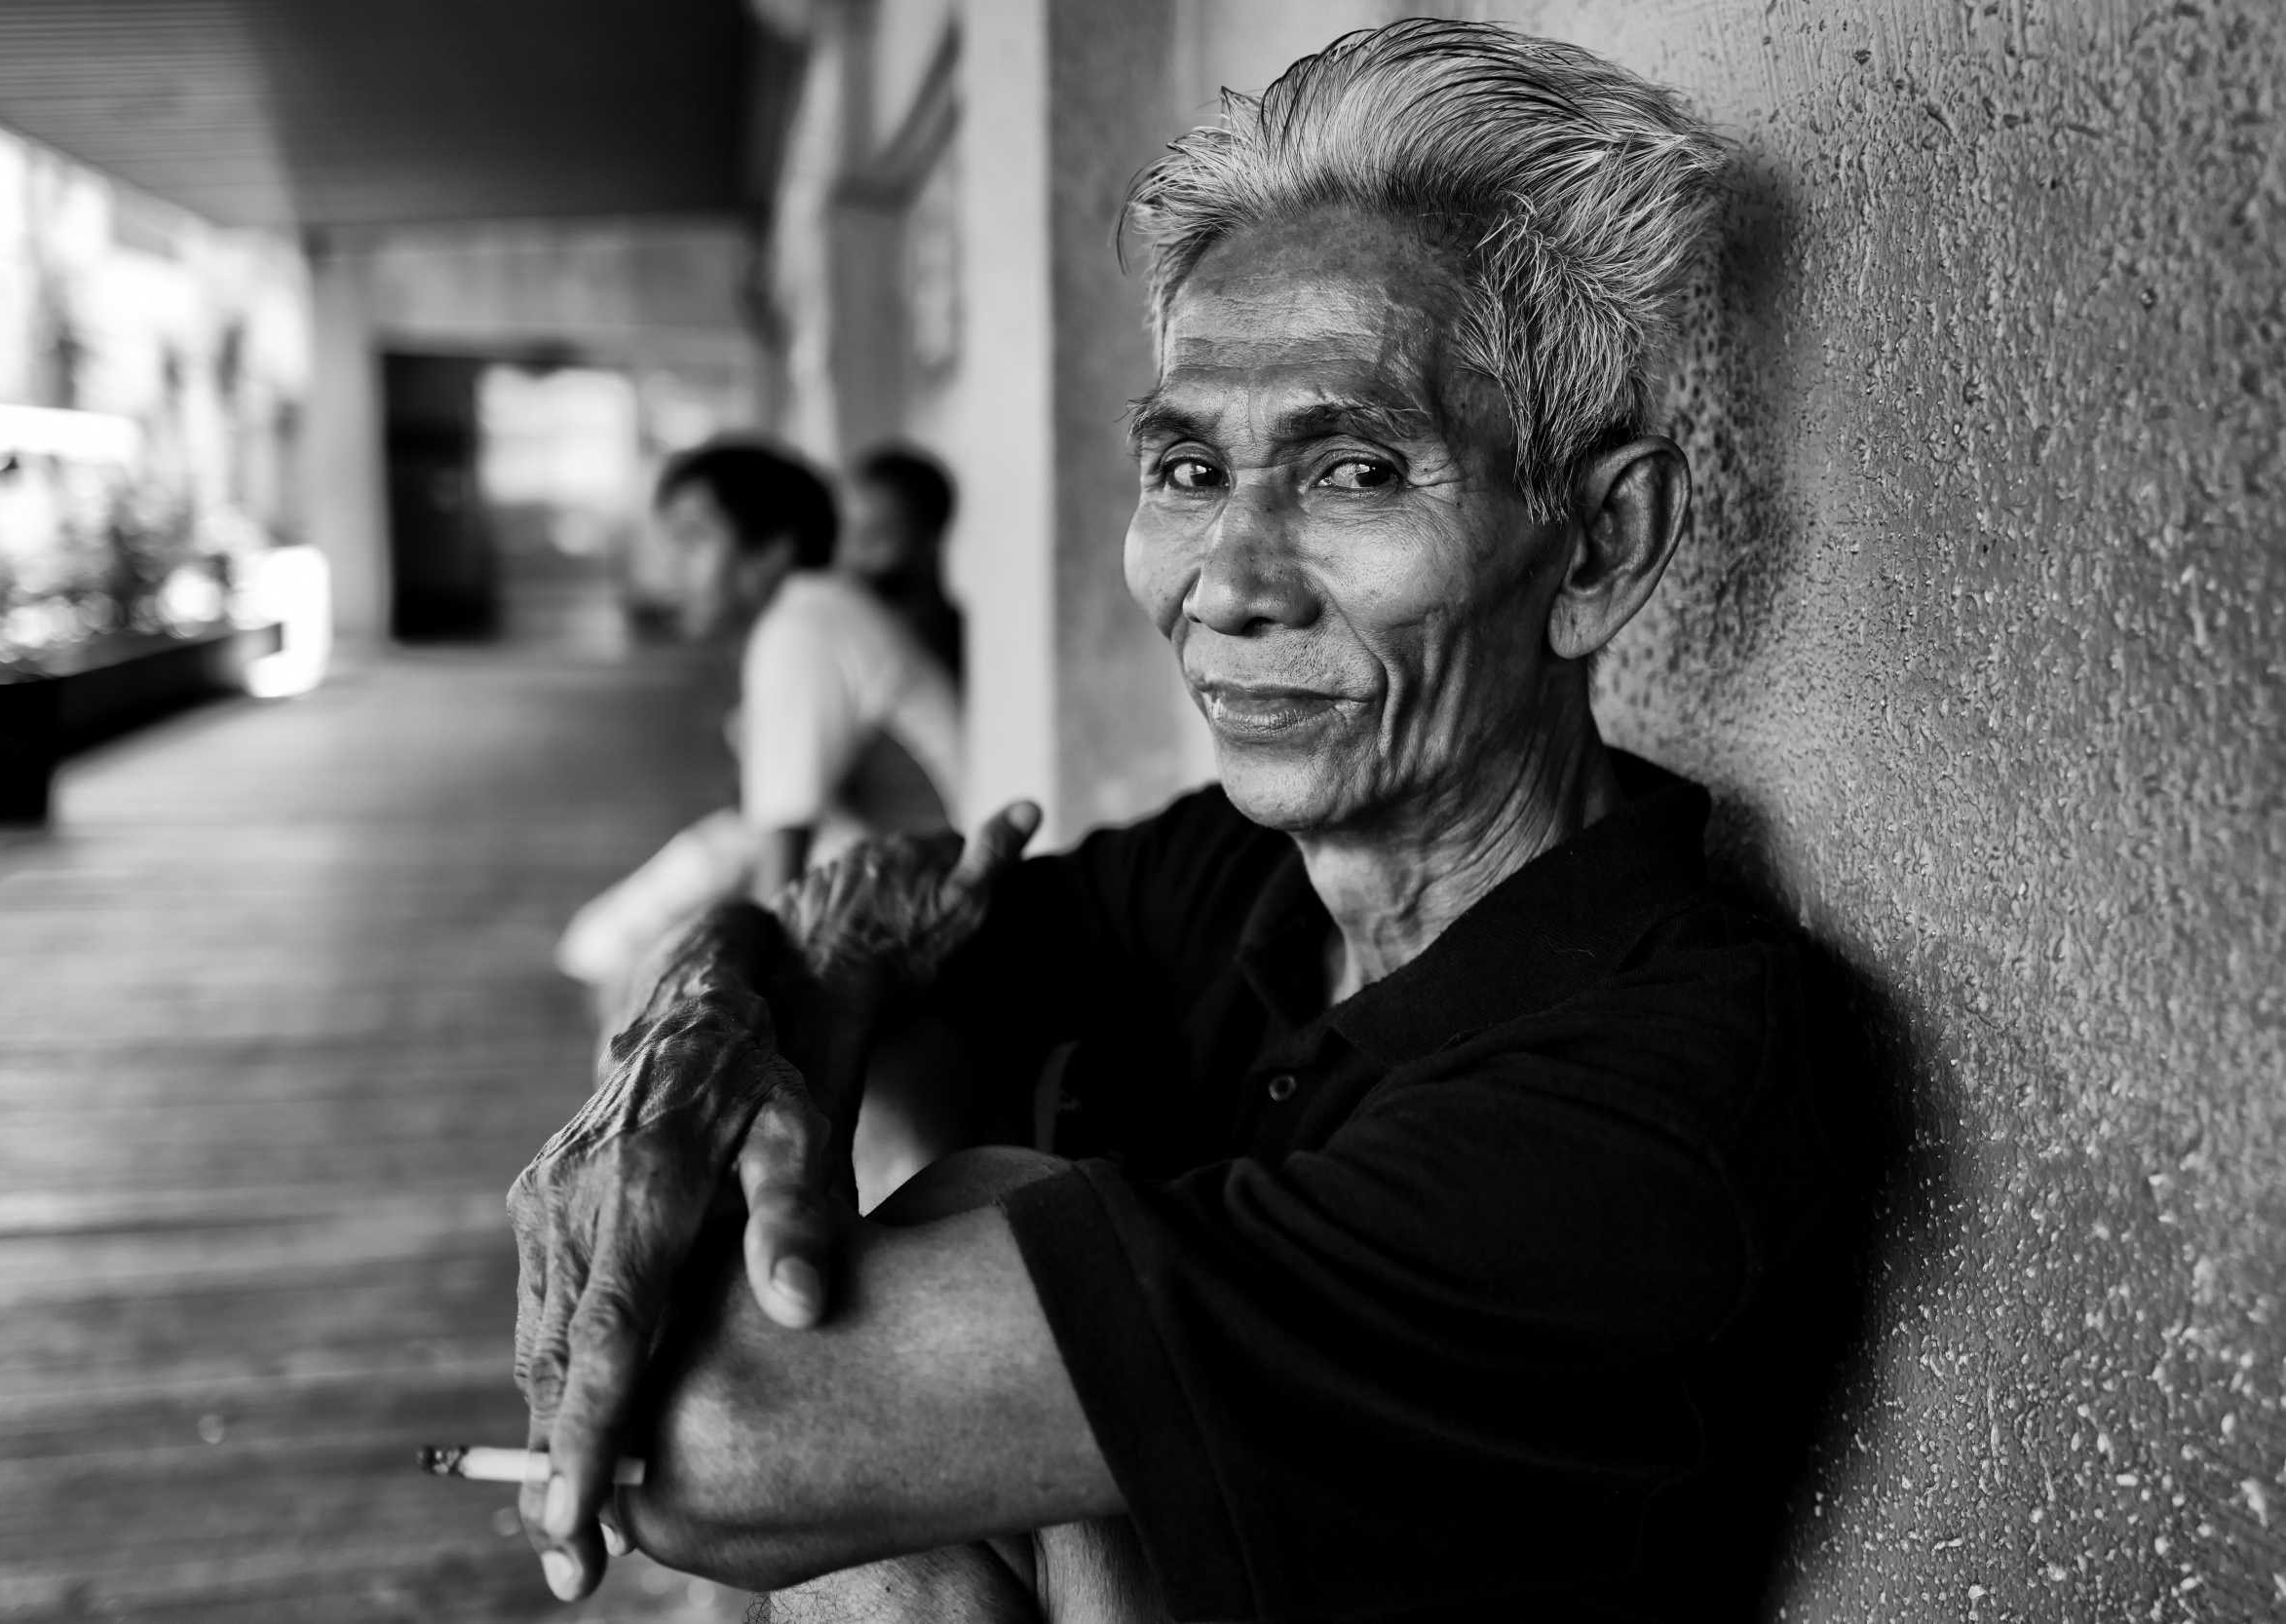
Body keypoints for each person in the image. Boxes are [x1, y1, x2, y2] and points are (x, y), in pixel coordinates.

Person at [507, 22, 1852, 1621]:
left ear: (1601, 543)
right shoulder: (1237, 876)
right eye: (1192, 469)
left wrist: (985, 1199)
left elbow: (711, 1444)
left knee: (950, 1284)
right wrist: (707, 1006)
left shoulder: (1652, 1089)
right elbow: (897, 935)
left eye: (1357, 471)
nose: (1228, 584)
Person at [555, 441, 962, 1030]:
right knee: (658, 920)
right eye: (669, 542)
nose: (670, 568)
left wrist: (759, 1002)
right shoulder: (813, 612)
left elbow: (782, 850)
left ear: (770, 552)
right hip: (901, 870)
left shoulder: (801, 627)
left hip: (932, 895)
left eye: (693, 540)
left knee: (639, 951)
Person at [840, 443, 966, 685]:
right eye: (848, 532)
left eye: (877, 534)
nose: (854, 552)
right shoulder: (847, 618)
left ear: (928, 538)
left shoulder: (928, 638)